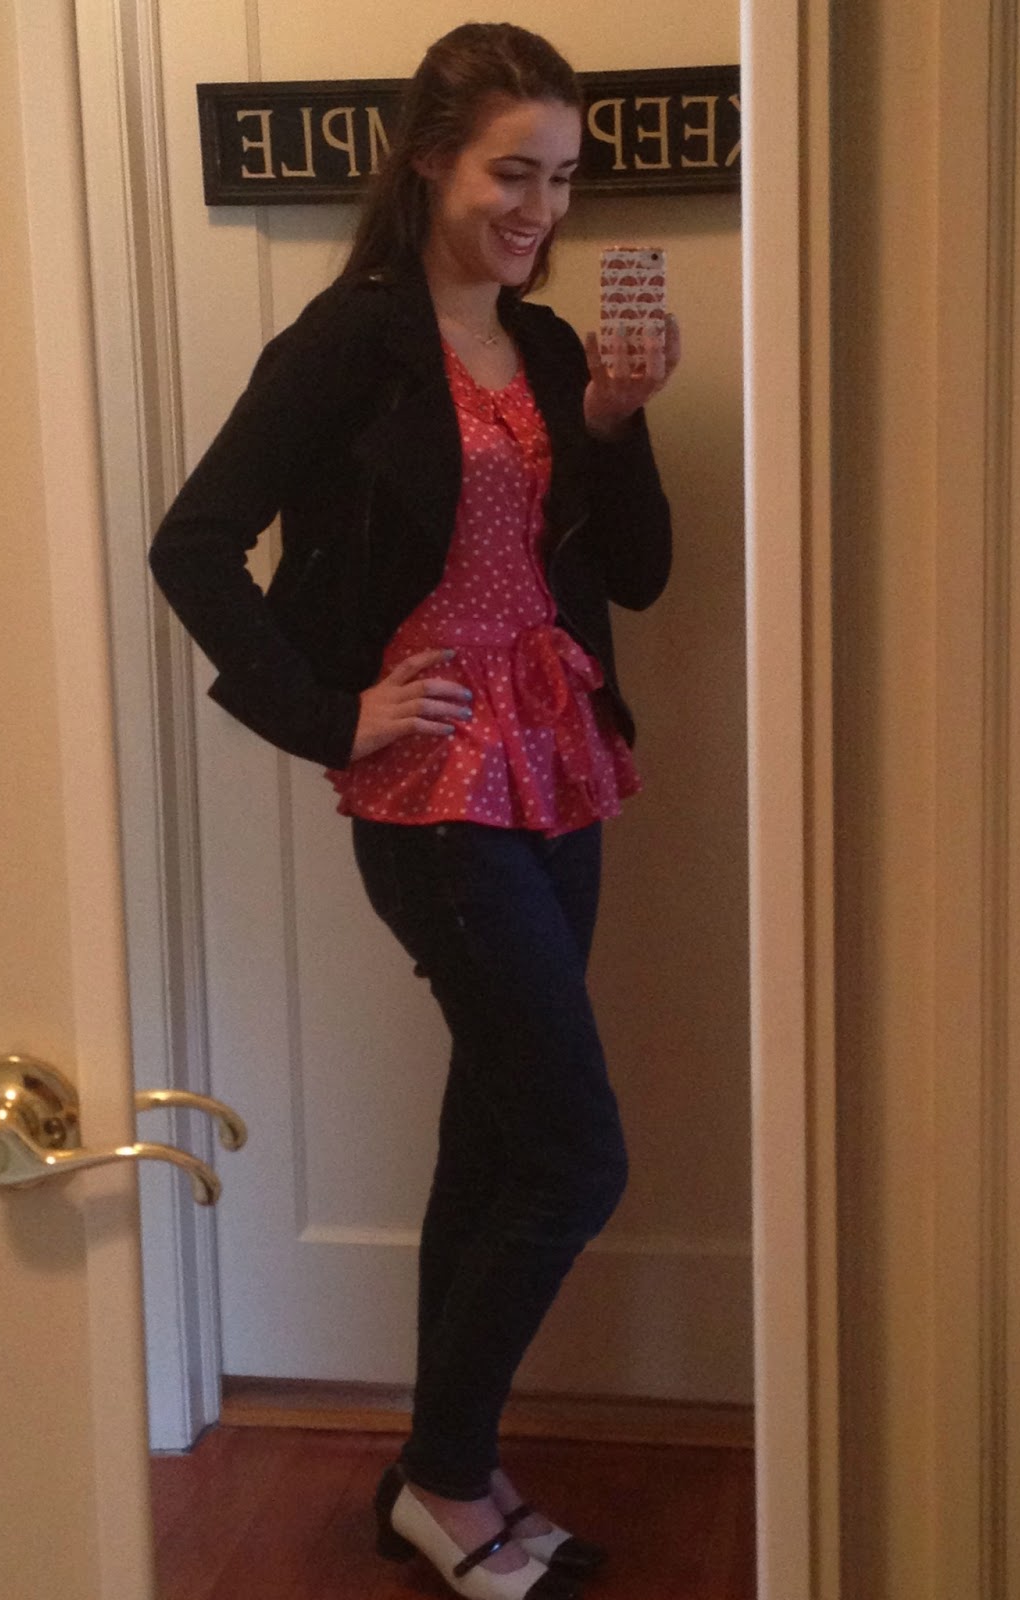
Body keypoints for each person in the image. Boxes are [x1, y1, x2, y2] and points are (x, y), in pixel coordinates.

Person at [150, 22, 678, 1600]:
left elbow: (639, 571)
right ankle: (446, 1478)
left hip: (558, 763)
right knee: (576, 1155)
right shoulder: (352, 343)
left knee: (501, 1130)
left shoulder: (557, 349)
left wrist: (616, 419)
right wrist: (330, 713)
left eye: (563, 180)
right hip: (435, 788)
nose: (540, 210)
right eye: (514, 172)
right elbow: (193, 542)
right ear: (432, 161)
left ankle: (442, 1474)